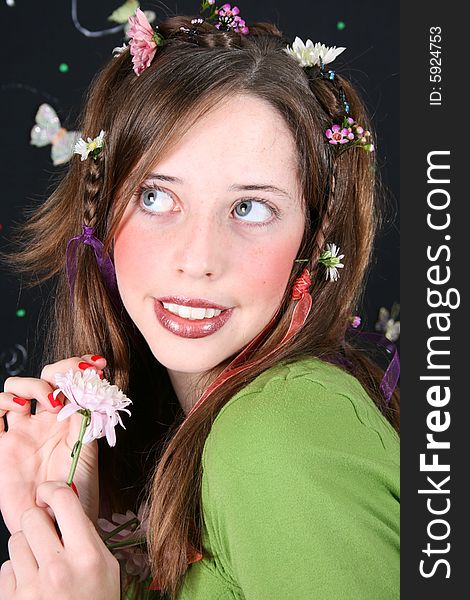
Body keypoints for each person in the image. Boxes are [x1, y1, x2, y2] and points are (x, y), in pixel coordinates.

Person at [0, 4, 399, 599]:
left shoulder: (278, 435)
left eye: (251, 208)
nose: (197, 258)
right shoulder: (193, 434)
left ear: (313, 244)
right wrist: (67, 524)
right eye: (157, 197)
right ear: (103, 211)